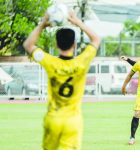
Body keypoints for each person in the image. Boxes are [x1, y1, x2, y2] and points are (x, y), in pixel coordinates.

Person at [23, 11, 100, 150]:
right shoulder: (81, 62)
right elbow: (96, 40)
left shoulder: (50, 62)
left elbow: (28, 45)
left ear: (56, 44)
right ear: (74, 44)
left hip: (53, 118)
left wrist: (42, 24)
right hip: (73, 121)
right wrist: (77, 22)